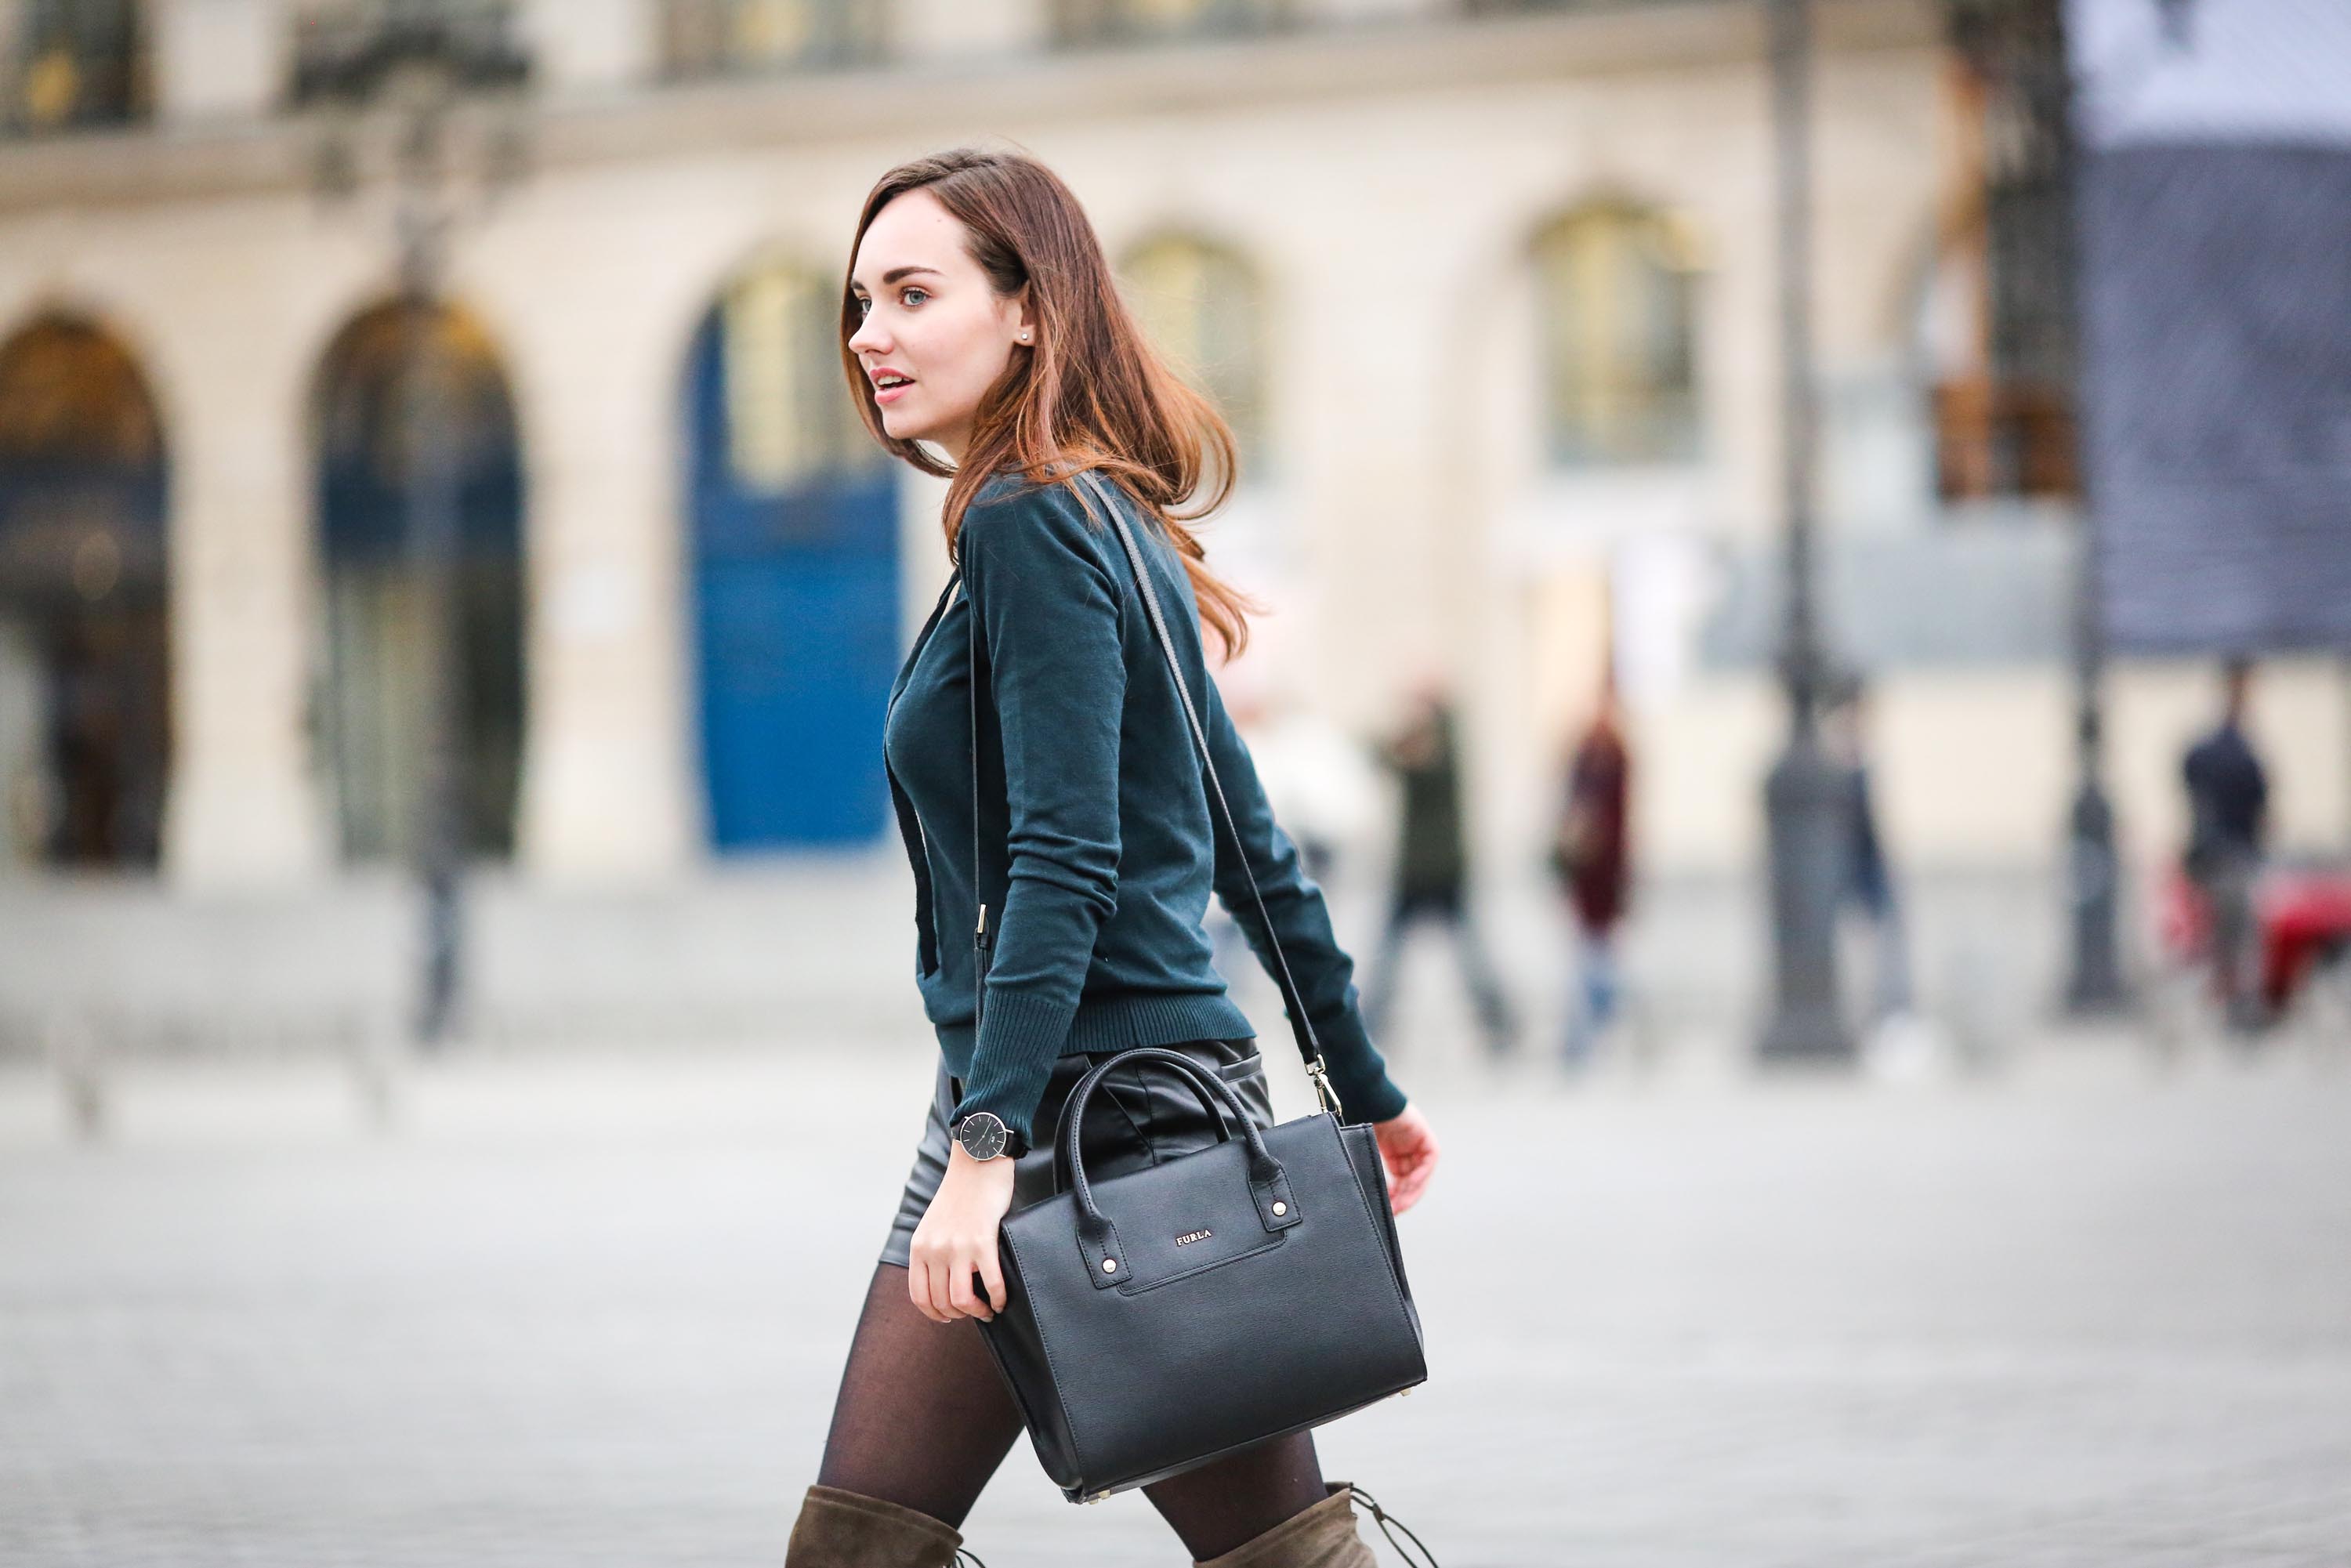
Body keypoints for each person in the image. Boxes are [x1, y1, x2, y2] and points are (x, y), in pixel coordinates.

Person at [788, 149, 1440, 1568]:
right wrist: (1368, 1092)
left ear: (1030, 309)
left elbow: (1068, 861)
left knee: (1278, 1556)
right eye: (859, 304)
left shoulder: (1032, 519)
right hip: (1070, 1107)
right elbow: (1250, 846)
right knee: (862, 1539)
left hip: (1086, 1124)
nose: (869, 338)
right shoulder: (1103, 516)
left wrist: (986, 1148)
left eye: (912, 293)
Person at [1359, 683, 1515, 1056]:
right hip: (1419, 871)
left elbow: (1405, 760)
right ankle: (1369, 1023)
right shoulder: (1431, 743)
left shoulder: (1442, 745)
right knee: (1395, 956)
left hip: (1438, 871)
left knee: (1463, 955)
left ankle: (1499, 1022)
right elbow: (1380, 754)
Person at [2182, 658, 2269, 1031]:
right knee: (2235, 928)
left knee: (2236, 929)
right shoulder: (2227, 751)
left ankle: (2233, 997)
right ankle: (2234, 1000)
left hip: (2228, 854)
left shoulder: (2226, 749)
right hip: (2223, 855)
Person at [1549, 675, 1631, 1066]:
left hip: (1605, 875)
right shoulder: (1585, 754)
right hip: (1585, 874)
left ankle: (1587, 1034)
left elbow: (1620, 828)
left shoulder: (1615, 756)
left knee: (1597, 958)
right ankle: (1582, 1037)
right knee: (1591, 957)